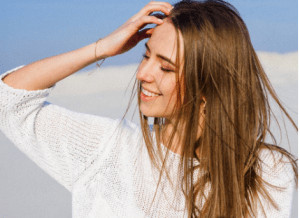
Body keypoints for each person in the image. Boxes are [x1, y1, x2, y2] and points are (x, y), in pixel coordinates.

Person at [0, 0, 297, 217]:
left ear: (208, 86)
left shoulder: (265, 172)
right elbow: (8, 101)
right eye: (146, 56)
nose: (143, 74)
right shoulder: (108, 148)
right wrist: (102, 48)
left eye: (165, 68)